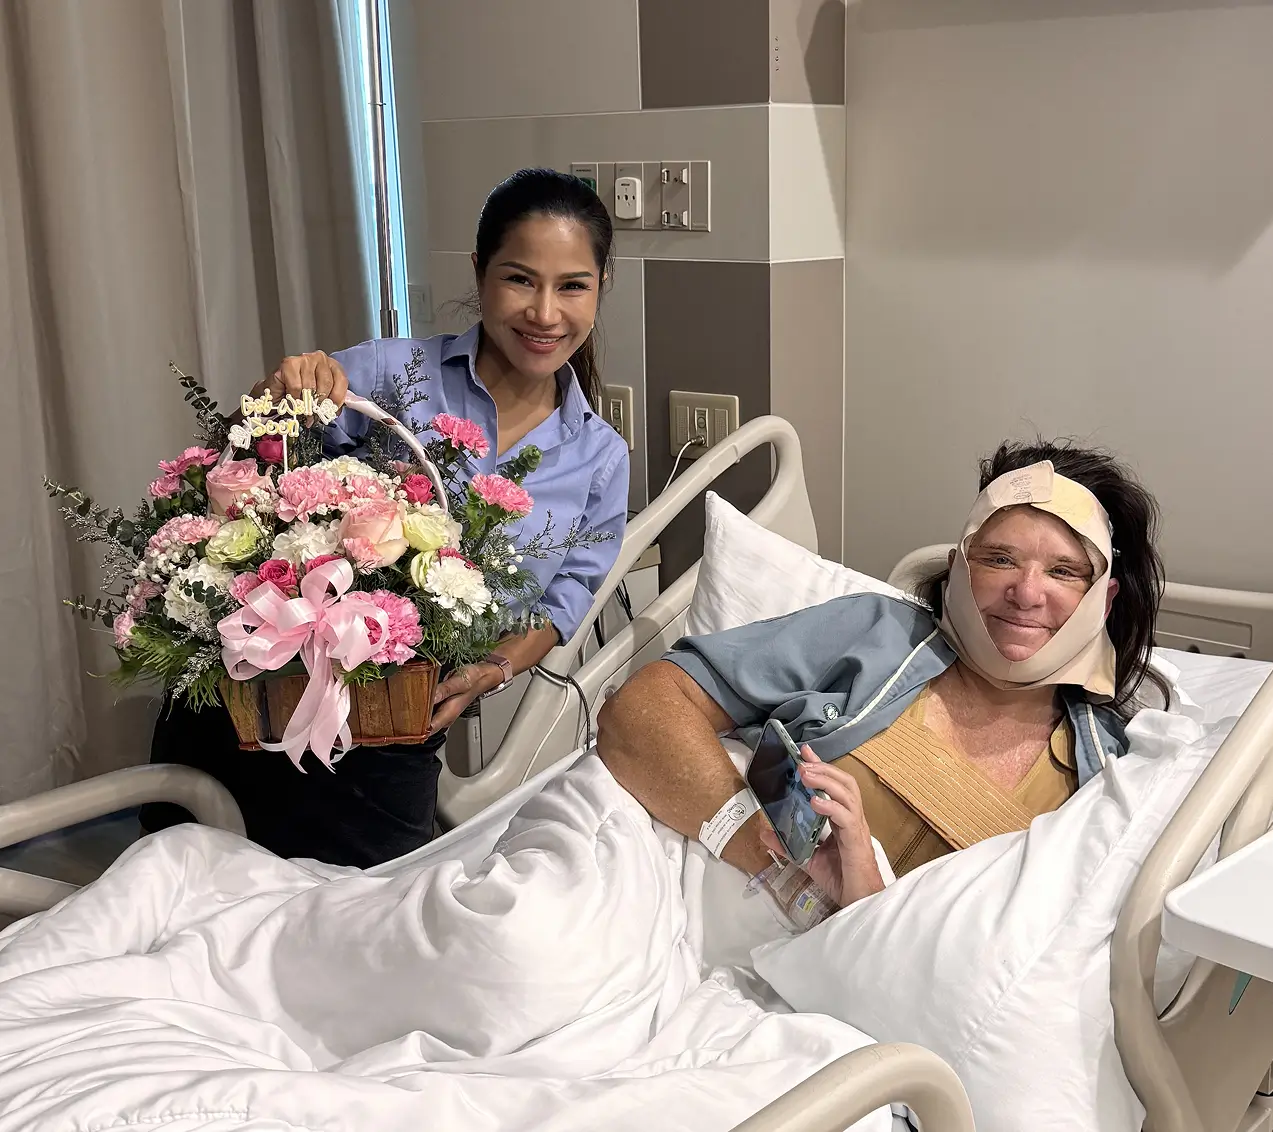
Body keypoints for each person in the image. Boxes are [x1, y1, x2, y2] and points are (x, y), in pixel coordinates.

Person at [142, 168, 630, 867]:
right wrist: (279, 390)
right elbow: (247, 458)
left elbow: (566, 598)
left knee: (361, 913)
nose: (545, 313)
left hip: (392, 734)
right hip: (252, 702)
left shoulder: (599, 457)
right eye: (520, 279)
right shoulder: (388, 375)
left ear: (602, 285)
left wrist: (493, 668)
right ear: (479, 272)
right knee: (185, 893)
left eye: (572, 286)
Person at [597, 440, 1165, 912]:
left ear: (1104, 597)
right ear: (957, 568)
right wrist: (787, 877)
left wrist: (864, 919)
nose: (1027, 592)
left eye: (1064, 571)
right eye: (999, 559)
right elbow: (643, 711)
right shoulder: (872, 634)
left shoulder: (1110, 769)